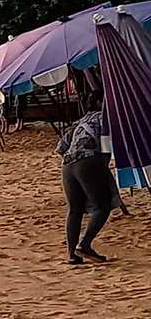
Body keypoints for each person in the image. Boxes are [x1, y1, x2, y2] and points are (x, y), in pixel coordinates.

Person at [56, 93, 116, 264]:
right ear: (100, 102)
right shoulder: (104, 119)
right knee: (102, 206)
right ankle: (84, 244)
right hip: (88, 161)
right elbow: (106, 147)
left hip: (68, 165)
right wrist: (101, 168)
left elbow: (61, 147)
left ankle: (71, 254)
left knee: (74, 209)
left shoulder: (80, 121)